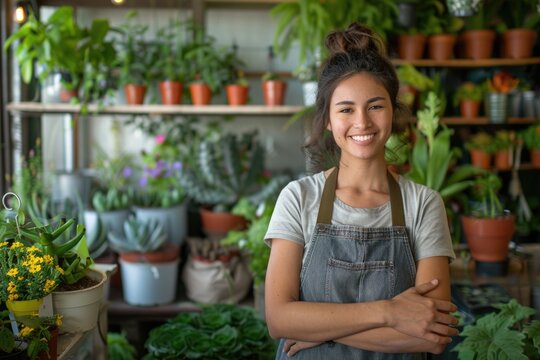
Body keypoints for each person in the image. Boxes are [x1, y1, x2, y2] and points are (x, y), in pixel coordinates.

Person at [264, 22, 458, 360]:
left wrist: (319, 332)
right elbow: (279, 319)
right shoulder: (299, 199)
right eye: (346, 109)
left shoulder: (423, 203)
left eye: (375, 106)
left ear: (393, 112)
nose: (362, 122)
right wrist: (390, 313)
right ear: (327, 119)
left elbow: (433, 335)